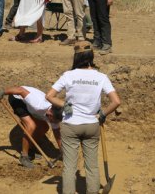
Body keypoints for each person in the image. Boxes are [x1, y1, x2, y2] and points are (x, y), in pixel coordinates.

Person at [45, 41, 121, 194]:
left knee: (69, 167)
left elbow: (49, 96)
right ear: (91, 55)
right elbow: (116, 101)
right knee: (92, 166)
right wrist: (103, 114)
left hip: (70, 125)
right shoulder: (101, 77)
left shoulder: (68, 75)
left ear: (76, 57)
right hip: (92, 125)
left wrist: (64, 104)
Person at [0, 86, 62, 169]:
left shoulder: (56, 115)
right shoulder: (39, 105)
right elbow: (20, 90)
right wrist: (2, 92)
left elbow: (57, 134)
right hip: (17, 98)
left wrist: (62, 151)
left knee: (44, 127)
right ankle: (24, 156)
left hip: (29, 105)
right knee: (31, 126)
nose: (53, 122)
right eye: (53, 120)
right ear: (50, 113)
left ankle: (30, 149)